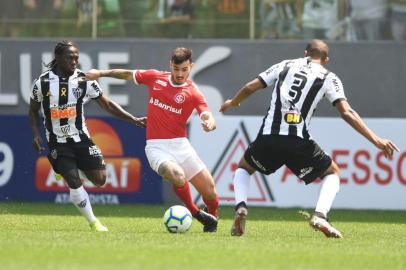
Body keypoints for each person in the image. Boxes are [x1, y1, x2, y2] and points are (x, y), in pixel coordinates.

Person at [220, 39, 399, 238]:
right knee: (332, 172)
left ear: (305, 53)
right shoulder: (329, 77)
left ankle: (241, 207)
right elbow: (347, 113)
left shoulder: (284, 65)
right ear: (326, 60)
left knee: (244, 167)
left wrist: (233, 102)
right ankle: (320, 216)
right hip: (298, 141)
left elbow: (250, 86)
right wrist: (377, 140)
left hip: (269, 136)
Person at [85, 47, 219, 232]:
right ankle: (195, 212)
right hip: (157, 147)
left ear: (191, 67)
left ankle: (212, 219)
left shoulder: (193, 92)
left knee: (210, 192)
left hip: (181, 145)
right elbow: (126, 74)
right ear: (170, 65)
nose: (180, 74)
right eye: (176, 69)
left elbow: (206, 114)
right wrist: (100, 73)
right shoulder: (156, 78)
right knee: (176, 175)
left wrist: (209, 123)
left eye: (185, 70)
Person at [28, 40, 146, 232]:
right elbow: (33, 110)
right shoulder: (42, 83)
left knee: (100, 180)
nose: (74, 62)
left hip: (81, 138)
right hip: (57, 141)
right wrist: (35, 134)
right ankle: (94, 222)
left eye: (76, 58)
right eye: (70, 58)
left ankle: (63, 169)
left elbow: (107, 104)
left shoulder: (85, 80)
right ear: (58, 58)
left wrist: (133, 119)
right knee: (74, 181)